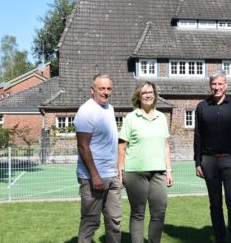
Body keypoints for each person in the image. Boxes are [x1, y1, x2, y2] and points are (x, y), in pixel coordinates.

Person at [194, 69, 231, 243]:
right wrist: (197, 162)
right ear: (210, 86)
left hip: (230, 161)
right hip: (208, 162)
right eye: (214, 84)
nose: (216, 87)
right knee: (215, 205)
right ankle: (220, 239)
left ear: (226, 86)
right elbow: (198, 136)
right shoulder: (202, 107)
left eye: (220, 84)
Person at [118, 81, 173, 243]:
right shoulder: (131, 118)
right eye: (144, 93)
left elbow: (166, 147)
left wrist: (169, 170)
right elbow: (121, 147)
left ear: (154, 95)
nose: (148, 95)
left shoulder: (161, 117)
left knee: (159, 212)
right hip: (135, 172)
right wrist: (120, 171)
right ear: (138, 96)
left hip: (159, 172)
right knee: (138, 213)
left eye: (151, 92)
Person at [74, 74, 122, 243]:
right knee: (90, 223)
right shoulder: (86, 111)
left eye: (109, 88)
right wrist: (94, 175)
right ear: (92, 90)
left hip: (112, 176)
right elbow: (83, 146)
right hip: (93, 177)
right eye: (102, 88)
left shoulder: (110, 109)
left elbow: (111, 142)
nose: (106, 92)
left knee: (115, 222)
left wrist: (118, 171)